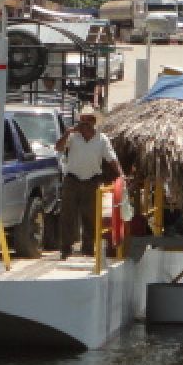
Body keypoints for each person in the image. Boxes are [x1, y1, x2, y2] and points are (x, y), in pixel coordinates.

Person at [54, 105, 123, 259]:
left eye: (87, 120)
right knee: (67, 216)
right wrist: (67, 133)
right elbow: (58, 148)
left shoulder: (102, 139)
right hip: (72, 179)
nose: (84, 123)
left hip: (92, 181)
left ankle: (88, 248)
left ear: (93, 121)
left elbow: (112, 159)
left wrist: (121, 175)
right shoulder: (72, 137)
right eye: (82, 120)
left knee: (90, 217)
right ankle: (65, 249)